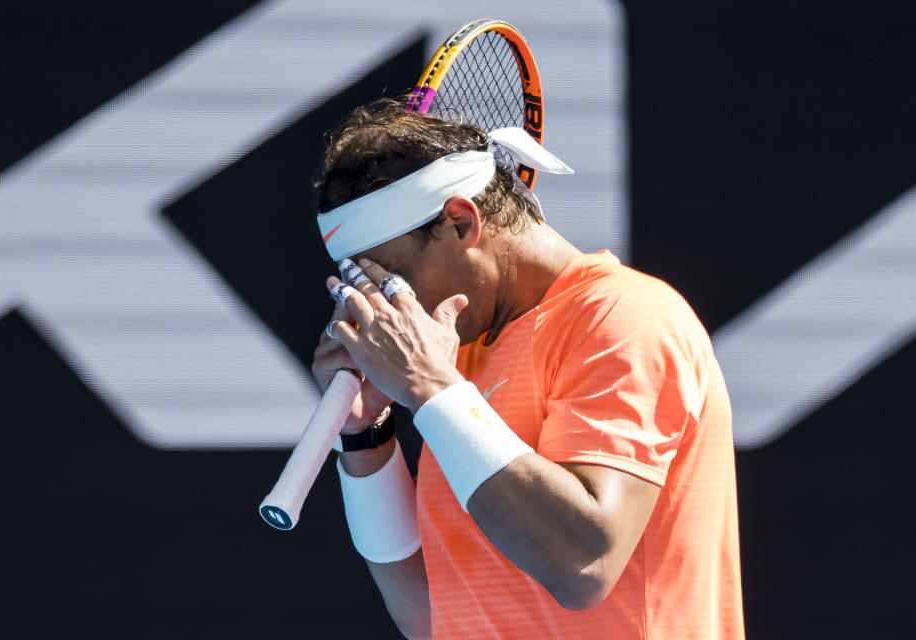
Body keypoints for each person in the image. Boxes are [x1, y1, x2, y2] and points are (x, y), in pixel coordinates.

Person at [311, 98, 744, 640]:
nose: (382, 312)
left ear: (459, 222)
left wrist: (430, 387)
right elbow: (431, 615)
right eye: (365, 288)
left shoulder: (625, 315)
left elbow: (584, 566)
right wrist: (365, 436)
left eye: (392, 279)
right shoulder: (456, 358)